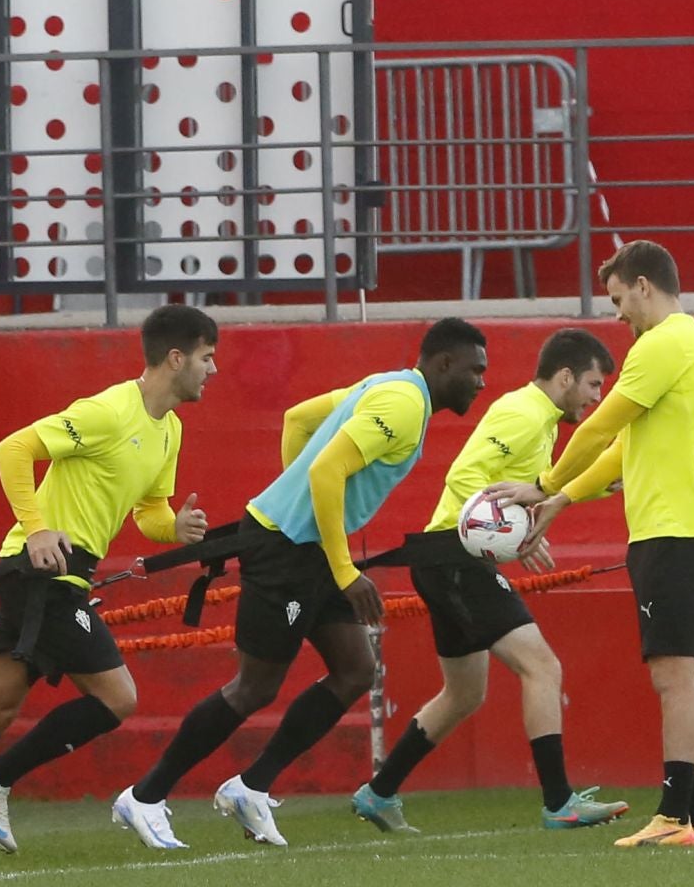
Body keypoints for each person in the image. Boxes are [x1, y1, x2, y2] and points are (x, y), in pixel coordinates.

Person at [0, 304, 220, 860]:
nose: (212, 370)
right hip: (43, 575)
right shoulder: (107, 412)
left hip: (61, 576)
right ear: (176, 358)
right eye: (206, 357)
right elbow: (13, 448)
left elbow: (150, 511)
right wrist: (37, 530)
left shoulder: (169, 430)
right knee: (118, 698)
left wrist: (177, 527)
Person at [114, 319, 489, 850]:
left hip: (307, 546)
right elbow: (325, 472)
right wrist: (332, 555)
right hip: (287, 550)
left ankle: (251, 786)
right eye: (476, 370)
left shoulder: (388, 385)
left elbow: (298, 421)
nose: (482, 382)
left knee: (355, 670)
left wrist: (301, 502)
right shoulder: (403, 404)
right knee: (255, 687)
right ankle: (145, 797)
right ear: (445, 364)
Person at [484, 240, 694, 848]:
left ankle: (675, 815)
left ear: (644, 286)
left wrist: (543, 481)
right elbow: (625, 446)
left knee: (675, 676)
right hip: (691, 527)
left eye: (620, 300)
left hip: (671, 531)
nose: (618, 315)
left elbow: (599, 426)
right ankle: (692, 818)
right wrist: (562, 499)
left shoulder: (662, 344)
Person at [349, 328, 629, 833]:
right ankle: (558, 802)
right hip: (455, 557)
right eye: (592, 383)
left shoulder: (541, 422)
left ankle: (378, 793)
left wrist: (575, 499)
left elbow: (525, 491)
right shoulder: (523, 414)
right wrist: (505, 533)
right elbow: (465, 479)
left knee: (464, 694)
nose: (596, 396)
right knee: (542, 666)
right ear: (564, 376)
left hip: (447, 559)